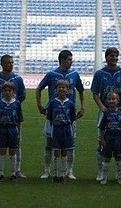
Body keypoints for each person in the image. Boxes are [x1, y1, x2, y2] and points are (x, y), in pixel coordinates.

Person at [36, 50, 85, 179]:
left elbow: (80, 90)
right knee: (50, 141)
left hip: (69, 114)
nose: (71, 62)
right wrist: (39, 105)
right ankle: (47, 170)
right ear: (62, 60)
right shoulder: (52, 74)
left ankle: (69, 171)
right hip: (53, 114)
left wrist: (82, 107)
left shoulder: (74, 74)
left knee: (70, 143)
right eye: (69, 59)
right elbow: (39, 88)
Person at [91, 47, 121, 182]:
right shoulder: (99, 74)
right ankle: (100, 172)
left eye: (115, 56)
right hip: (105, 113)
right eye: (111, 56)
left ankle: (120, 173)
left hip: (120, 112)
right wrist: (102, 107)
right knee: (101, 141)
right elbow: (95, 94)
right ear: (106, 57)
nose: (113, 58)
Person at [0, 54, 26, 178]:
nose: (11, 64)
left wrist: (13, 106)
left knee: (17, 143)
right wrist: (0, 107)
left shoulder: (18, 79)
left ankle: (17, 170)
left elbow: (23, 95)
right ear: (2, 64)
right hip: (0, 117)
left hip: (13, 118)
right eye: (9, 63)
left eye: (12, 62)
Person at [0, 81, 24, 181]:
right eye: (5, 90)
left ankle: (13, 173)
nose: (7, 92)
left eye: (9, 90)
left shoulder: (17, 104)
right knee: (2, 150)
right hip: (2, 129)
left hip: (12, 129)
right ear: (3, 92)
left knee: (13, 151)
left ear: (13, 92)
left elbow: (19, 120)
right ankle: (1, 173)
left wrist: (18, 132)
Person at [46, 80, 77, 183]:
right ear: (56, 89)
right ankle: (55, 174)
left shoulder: (70, 104)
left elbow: (72, 118)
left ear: (67, 90)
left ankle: (62, 174)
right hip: (56, 129)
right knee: (56, 151)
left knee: (64, 151)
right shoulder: (52, 103)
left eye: (64, 88)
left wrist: (73, 131)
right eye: (59, 87)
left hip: (66, 129)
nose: (61, 89)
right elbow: (49, 118)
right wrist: (49, 132)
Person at [97, 91, 121, 184]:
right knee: (106, 157)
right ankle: (104, 176)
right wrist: (102, 139)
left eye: (114, 99)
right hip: (108, 138)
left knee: (118, 158)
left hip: (118, 138)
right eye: (109, 99)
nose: (112, 101)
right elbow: (101, 128)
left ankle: (120, 176)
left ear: (118, 101)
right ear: (107, 101)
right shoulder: (105, 113)